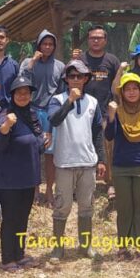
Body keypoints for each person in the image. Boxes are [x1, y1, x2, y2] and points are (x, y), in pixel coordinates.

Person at [46, 59, 107, 262]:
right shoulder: (57, 99)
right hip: (64, 162)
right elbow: (54, 120)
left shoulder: (93, 102)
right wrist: (69, 101)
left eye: (79, 76)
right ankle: (57, 248)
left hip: (87, 161)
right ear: (66, 79)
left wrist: (101, 159)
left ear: (86, 79)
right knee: (62, 206)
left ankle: (85, 245)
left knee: (86, 205)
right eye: (71, 76)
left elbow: (98, 132)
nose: (75, 80)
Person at [105, 72, 140, 259]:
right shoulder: (117, 111)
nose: (131, 92)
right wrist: (111, 116)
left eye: (134, 88)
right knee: (124, 207)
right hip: (121, 166)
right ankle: (122, 246)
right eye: (127, 89)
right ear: (121, 93)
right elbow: (109, 136)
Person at [0, 76, 48, 272]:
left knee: (23, 217)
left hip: (28, 178)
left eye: (26, 92)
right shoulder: (6, 115)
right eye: (19, 92)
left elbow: (38, 143)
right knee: (10, 218)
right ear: (12, 95)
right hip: (8, 179)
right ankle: (8, 258)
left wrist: (43, 141)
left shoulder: (32, 115)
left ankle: (20, 254)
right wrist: (6, 127)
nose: (23, 96)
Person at [74, 25, 121, 200]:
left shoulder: (112, 60)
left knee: (108, 147)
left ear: (105, 40)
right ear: (88, 39)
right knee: (83, 146)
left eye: (99, 38)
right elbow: (70, 76)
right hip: (82, 110)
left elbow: (118, 86)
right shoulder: (81, 59)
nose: (95, 40)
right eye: (92, 37)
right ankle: (83, 184)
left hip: (104, 110)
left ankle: (110, 184)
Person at [20, 29, 65, 205]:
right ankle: (35, 190)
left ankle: (49, 191)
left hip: (50, 112)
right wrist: (32, 62)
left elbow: (62, 90)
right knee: (32, 152)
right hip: (31, 110)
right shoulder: (27, 62)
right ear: (38, 45)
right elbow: (21, 81)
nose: (47, 47)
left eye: (50, 44)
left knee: (50, 154)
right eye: (44, 44)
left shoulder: (60, 66)